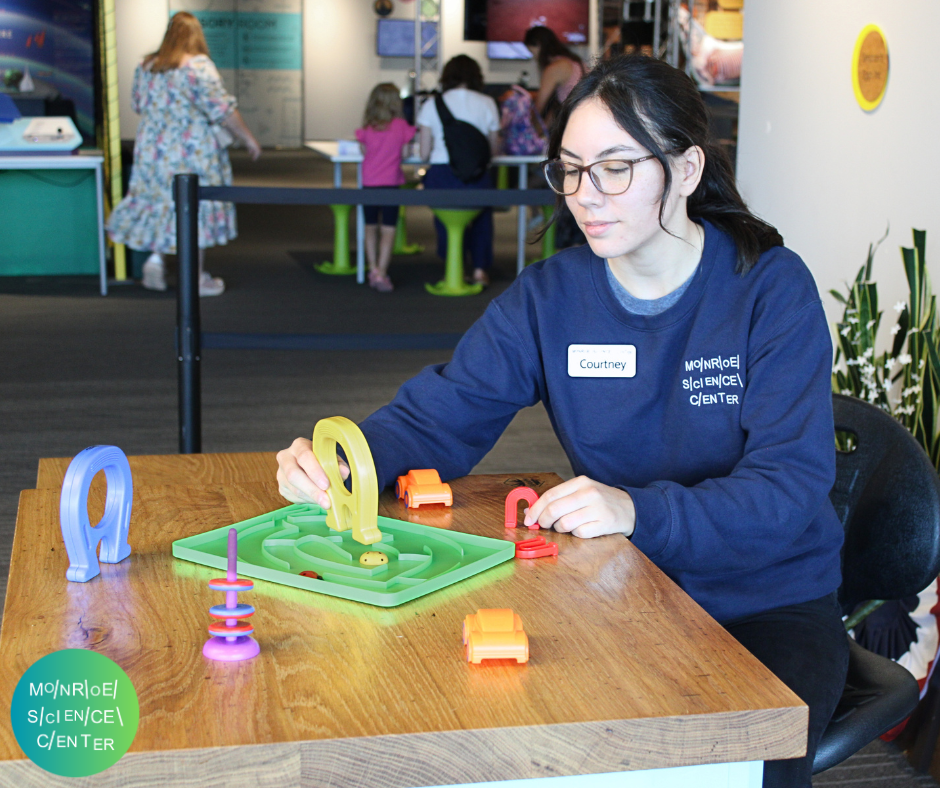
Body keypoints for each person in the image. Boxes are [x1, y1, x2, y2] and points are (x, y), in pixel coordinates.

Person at [276, 56, 847, 788]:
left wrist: (637, 510)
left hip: (766, 604)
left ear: (687, 167)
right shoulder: (552, 296)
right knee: (530, 752)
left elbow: (788, 490)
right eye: (571, 170)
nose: (586, 195)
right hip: (619, 586)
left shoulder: (768, 287)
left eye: (615, 168)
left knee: (725, 770)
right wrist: (347, 461)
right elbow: (444, 413)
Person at [107, 12, 261, 297]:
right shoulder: (198, 66)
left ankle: (156, 260)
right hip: (191, 149)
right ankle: (196, 278)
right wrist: (248, 138)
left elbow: (137, 104)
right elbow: (222, 109)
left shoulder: (147, 65)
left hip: (153, 148)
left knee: (160, 200)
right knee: (193, 206)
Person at [416, 55, 499, 287]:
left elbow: (423, 153)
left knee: (446, 219)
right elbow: (492, 150)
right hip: (478, 175)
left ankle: (454, 264)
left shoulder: (431, 105)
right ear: (476, 77)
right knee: (482, 218)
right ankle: (480, 269)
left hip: (442, 175)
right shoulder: (487, 103)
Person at [355, 83, 416, 292]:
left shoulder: (367, 127)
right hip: (391, 184)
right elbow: (406, 154)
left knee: (369, 227)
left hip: (369, 184)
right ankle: (382, 271)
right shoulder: (401, 126)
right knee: (388, 230)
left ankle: (372, 269)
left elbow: (363, 151)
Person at [522, 26, 584, 121]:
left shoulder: (555, 68)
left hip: (574, 119)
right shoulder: (573, 61)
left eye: (531, 51)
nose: (533, 57)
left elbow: (539, 105)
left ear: (538, 45)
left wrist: (526, 125)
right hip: (584, 115)